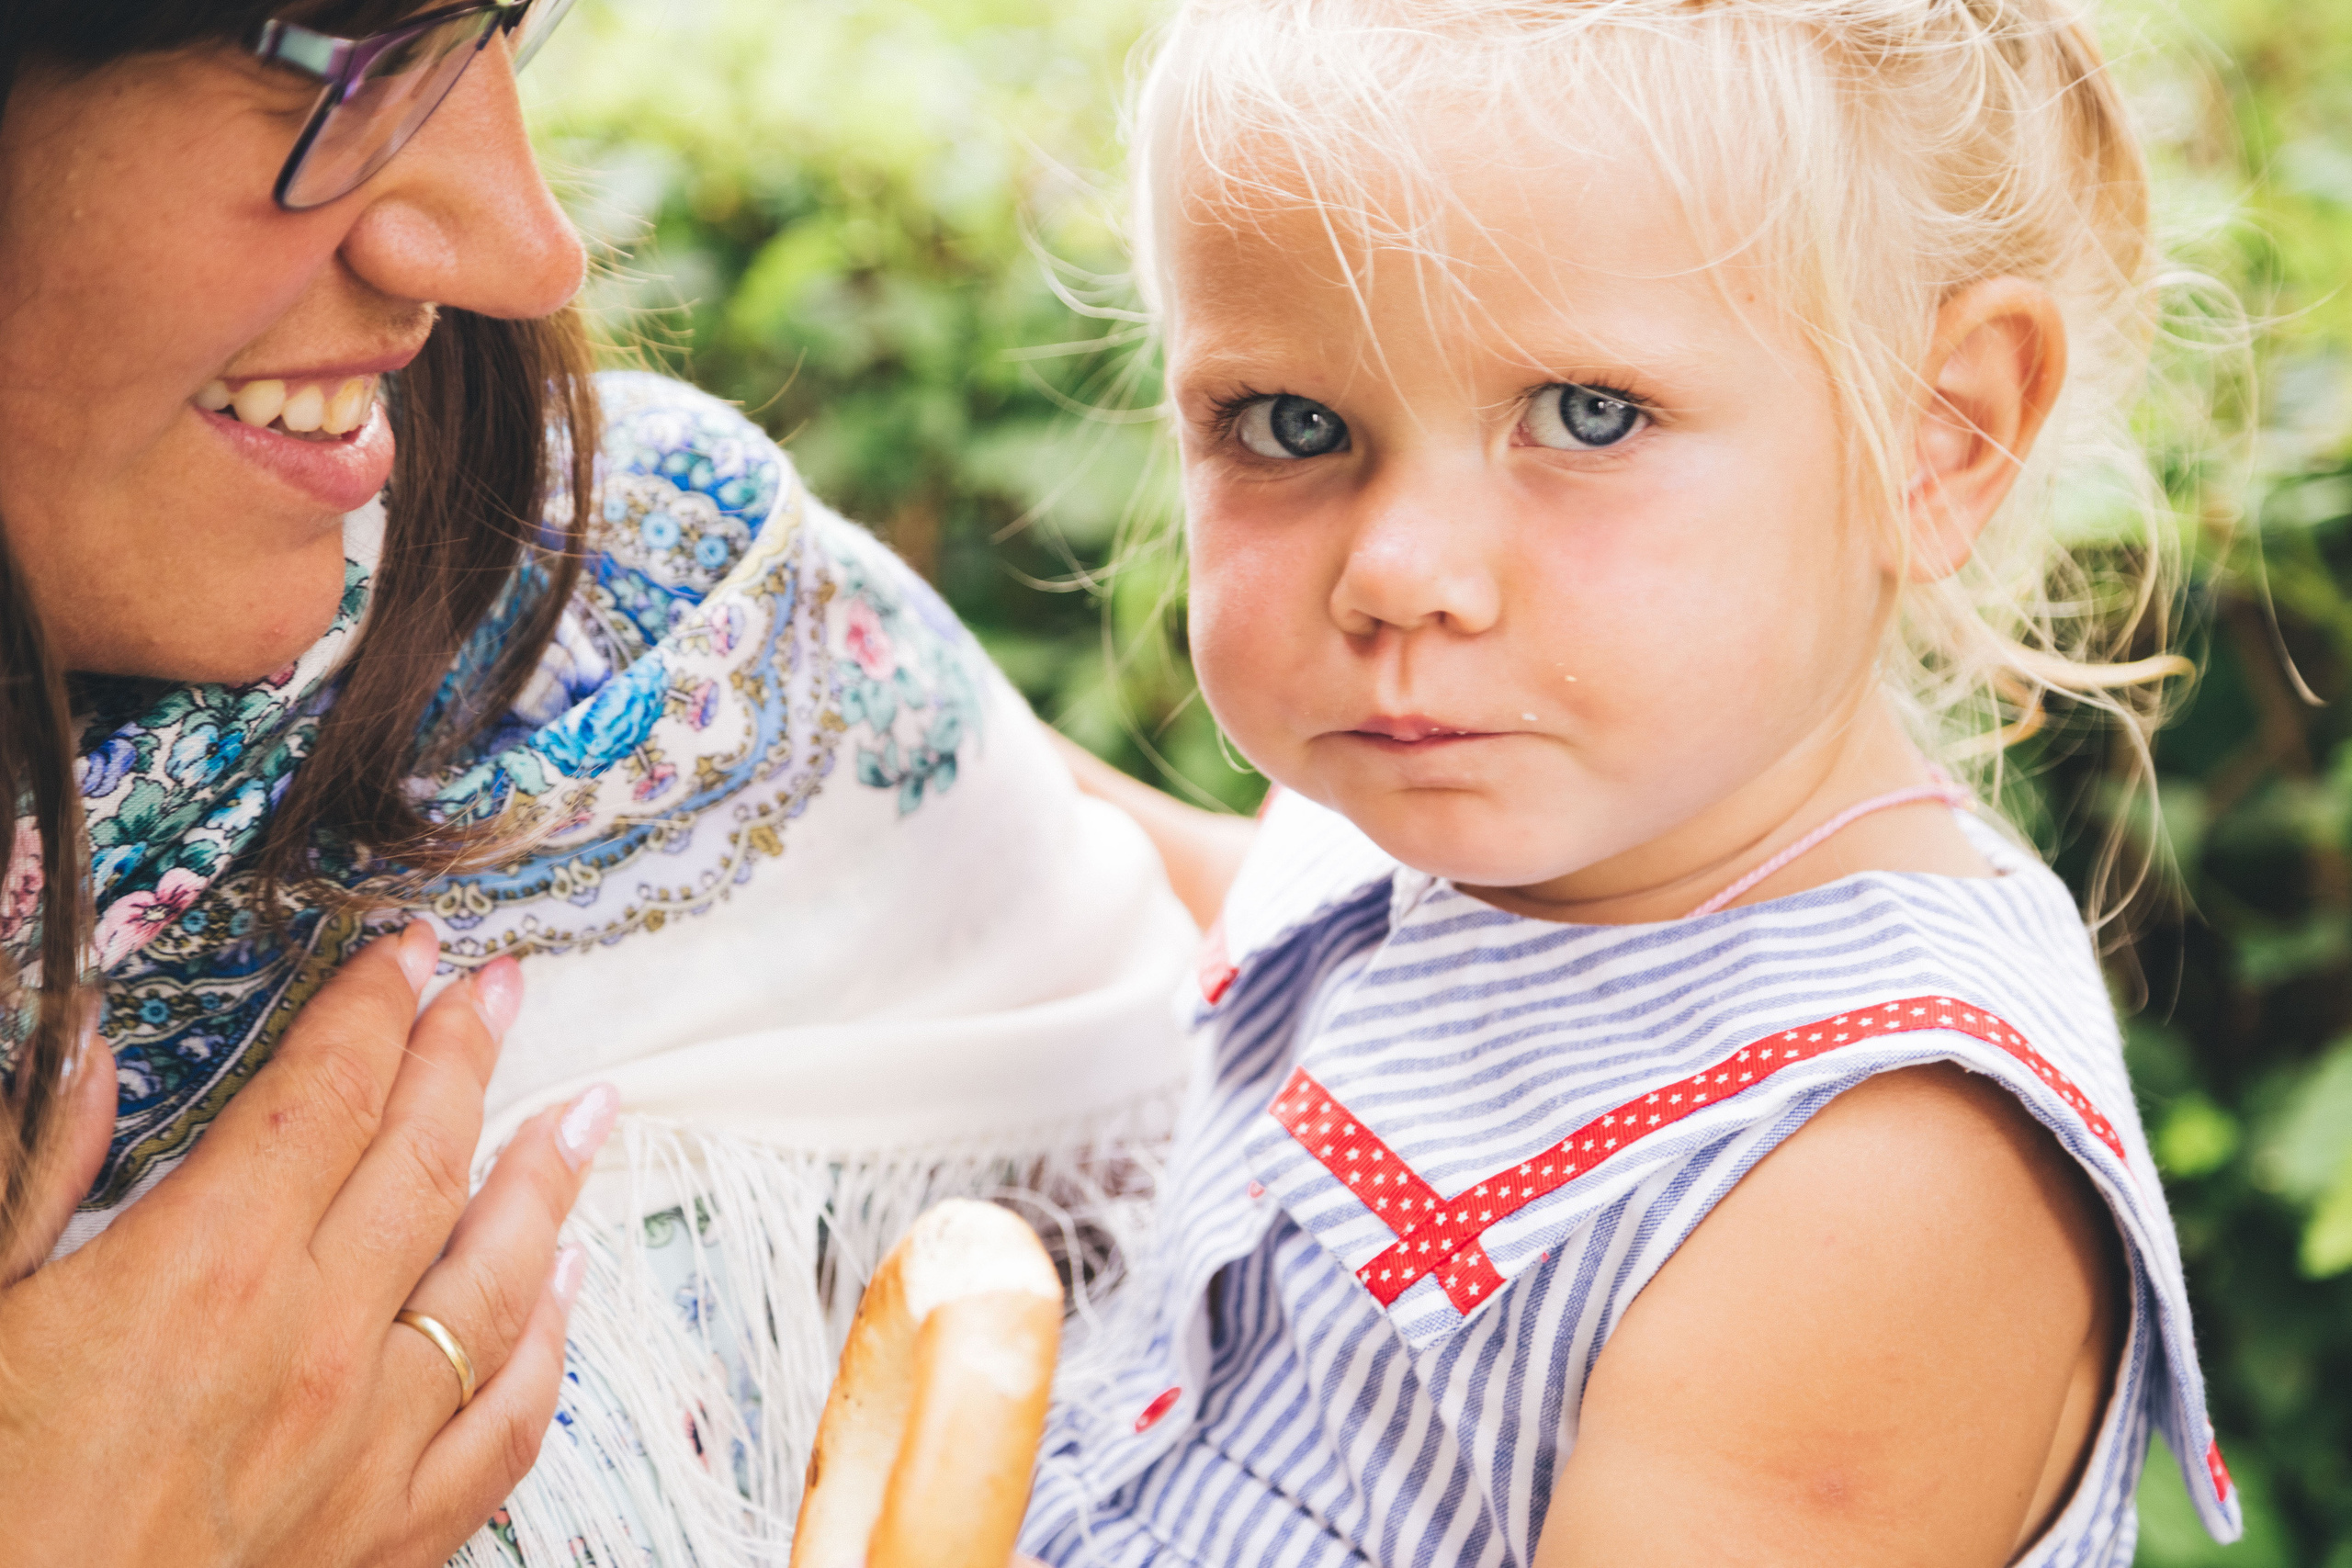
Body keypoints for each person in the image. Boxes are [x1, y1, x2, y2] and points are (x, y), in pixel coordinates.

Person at [1012, 0, 2245, 1562]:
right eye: (1290, 424)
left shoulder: (1876, 1177)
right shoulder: (1451, 792)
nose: (1399, 574)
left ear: (1937, 438)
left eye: (1588, 417)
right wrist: (867, 701)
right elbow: (1254, 945)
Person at [0, 1, 1212, 1562]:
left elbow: (1337, 947)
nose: (527, 248)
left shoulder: (642, 607)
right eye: (327, 56)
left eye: (497, 26)